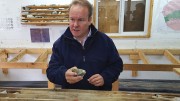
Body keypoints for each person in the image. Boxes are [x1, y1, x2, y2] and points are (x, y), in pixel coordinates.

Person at [46, 0, 123, 91]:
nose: (75, 25)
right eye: (72, 19)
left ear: (89, 20)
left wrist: (105, 77)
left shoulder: (105, 41)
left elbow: (117, 65)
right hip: (72, 96)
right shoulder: (60, 44)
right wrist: (64, 75)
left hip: (100, 96)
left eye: (80, 20)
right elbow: (51, 72)